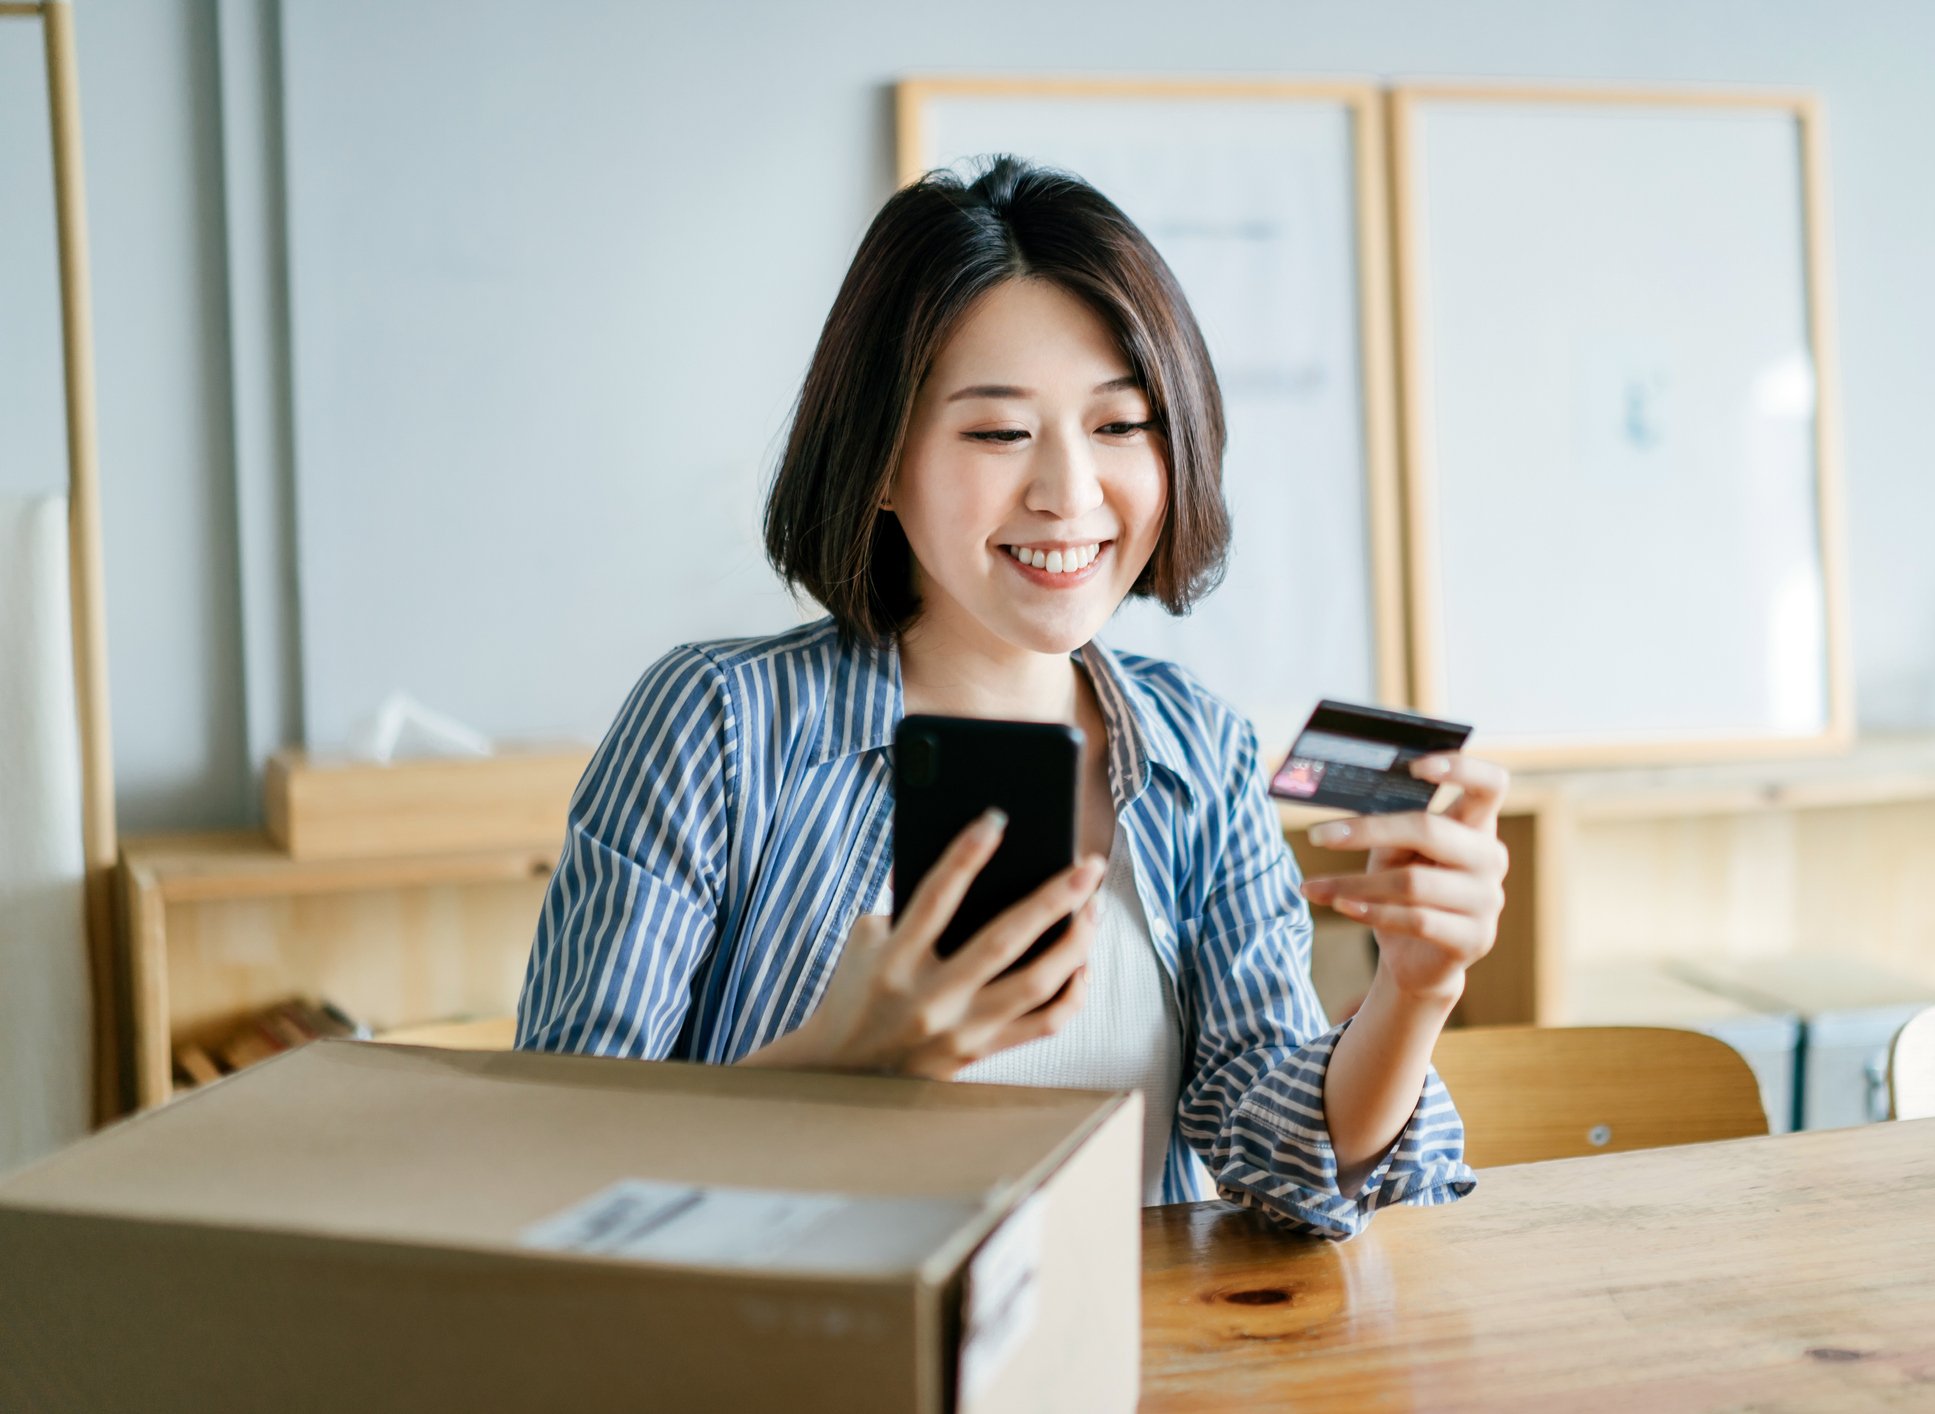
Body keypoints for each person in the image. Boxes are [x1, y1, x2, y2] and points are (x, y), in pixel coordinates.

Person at [515, 156, 1510, 1240]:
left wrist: (1417, 989)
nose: (1068, 493)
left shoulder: (1197, 746)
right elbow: (561, 1162)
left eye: (1121, 426)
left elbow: (1289, 1160)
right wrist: (833, 1066)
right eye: (998, 432)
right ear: (883, 462)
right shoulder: (717, 725)